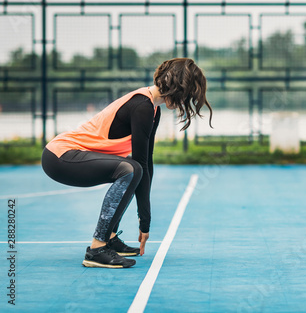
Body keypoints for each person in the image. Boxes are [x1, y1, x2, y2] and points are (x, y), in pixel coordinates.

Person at [41, 58, 213, 268]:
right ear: (175, 86)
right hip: (61, 156)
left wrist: (144, 222)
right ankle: (97, 249)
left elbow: (146, 164)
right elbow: (139, 166)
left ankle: (110, 238)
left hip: (68, 156)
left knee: (133, 168)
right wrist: (145, 222)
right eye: (185, 94)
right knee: (130, 169)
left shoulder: (153, 109)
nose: (184, 101)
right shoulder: (142, 106)